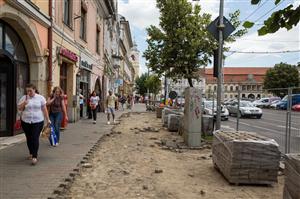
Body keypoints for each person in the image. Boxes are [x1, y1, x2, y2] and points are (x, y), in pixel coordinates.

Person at [18, 83, 51, 165]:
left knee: (35, 137)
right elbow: (19, 108)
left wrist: (48, 119)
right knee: (29, 138)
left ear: (34, 89)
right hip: (26, 121)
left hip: (38, 121)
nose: (29, 93)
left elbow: (44, 109)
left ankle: (34, 157)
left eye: (30, 91)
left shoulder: (40, 98)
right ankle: (31, 152)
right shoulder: (24, 98)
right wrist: (24, 103)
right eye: (27, 91)